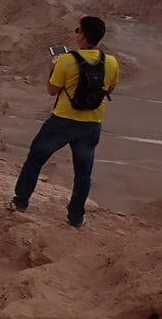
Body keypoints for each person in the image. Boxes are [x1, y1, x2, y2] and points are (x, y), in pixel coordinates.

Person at [9, 15, 119, 227]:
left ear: (83, 37)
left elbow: (52, 91)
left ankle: (20, 202)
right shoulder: (112, 62)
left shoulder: (67, 60)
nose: (75, 33)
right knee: (83, 172)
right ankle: (76, 218)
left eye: (78, 30)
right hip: (91, 125)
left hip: (62, 122)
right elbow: (110, 90)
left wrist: (54, 67)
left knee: (35, 159)